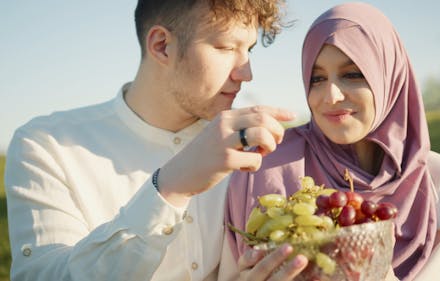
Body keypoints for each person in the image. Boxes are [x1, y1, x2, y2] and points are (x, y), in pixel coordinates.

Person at [4, 1, 295, 280]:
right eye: (225, 47)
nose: (247, 73)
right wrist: (169, 188)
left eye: (249, 50)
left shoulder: (252, 149)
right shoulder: (46, 145)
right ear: (161, 46)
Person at [223, 2, 440, 280]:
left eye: (352, 74)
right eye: (317, 78)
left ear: (389, 77)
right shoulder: (263, 167)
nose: (331, 95)